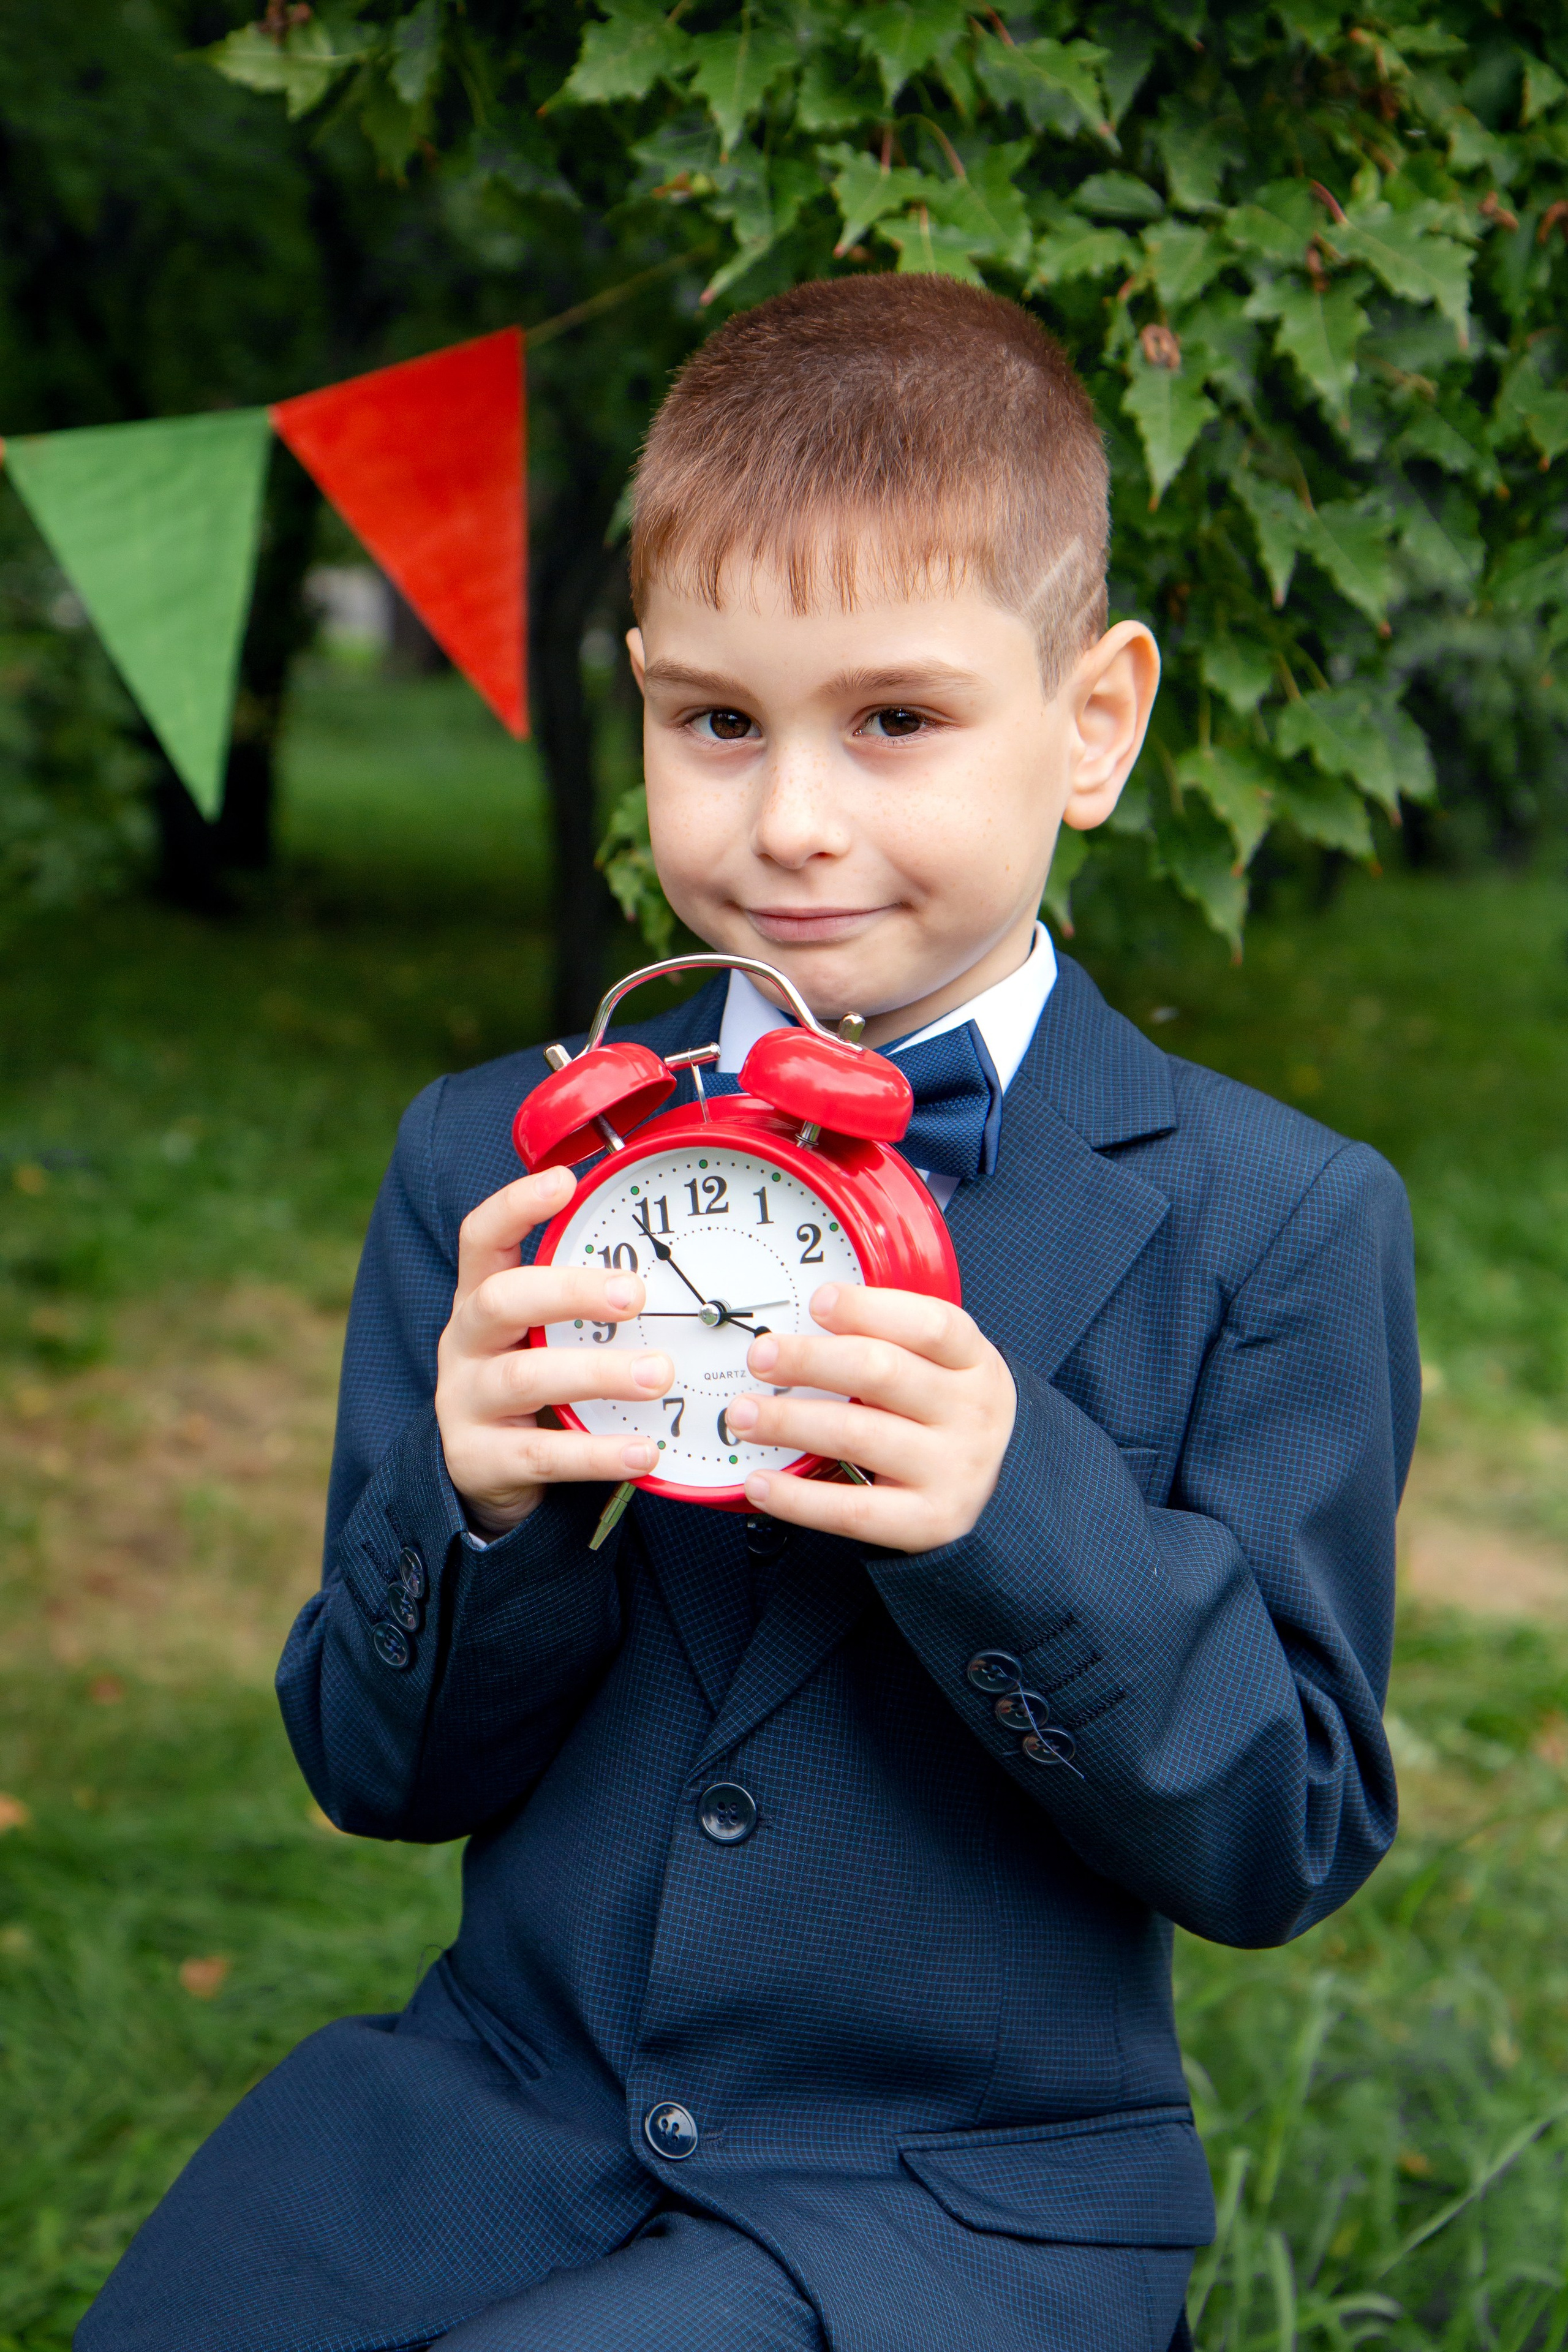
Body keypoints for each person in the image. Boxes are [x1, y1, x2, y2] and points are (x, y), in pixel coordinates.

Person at [80, 274, 1416, 2352]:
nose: (789, 819)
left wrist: (1015, 1508)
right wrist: (478, 1516)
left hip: (949, 2218)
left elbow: (1284, 1836)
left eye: (895, 720)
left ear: (1094, 721)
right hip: (498, 2131)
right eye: (718, 720)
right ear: (638, 699)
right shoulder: (490, 1161)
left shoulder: (1276, 1222)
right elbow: (374, 1767)